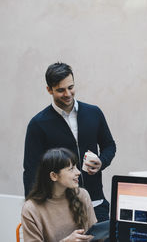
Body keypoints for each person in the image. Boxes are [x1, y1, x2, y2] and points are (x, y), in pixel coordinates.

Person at [23, 62, 116, 221]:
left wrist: (102, 161)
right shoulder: (38, 124)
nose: (68, 93)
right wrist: (35, 210)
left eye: (70, 87)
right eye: (60, 90)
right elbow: (31, 170)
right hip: (61, 209)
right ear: (49, 90)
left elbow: (109, 145)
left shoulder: (94, 113)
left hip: (97, 203)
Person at [21, 148, 97, 242]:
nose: (78, 172)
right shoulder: (31, 208)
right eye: (71, 169)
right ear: (54, 176)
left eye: (76, 167)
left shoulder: (82, 195)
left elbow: (96, 235)